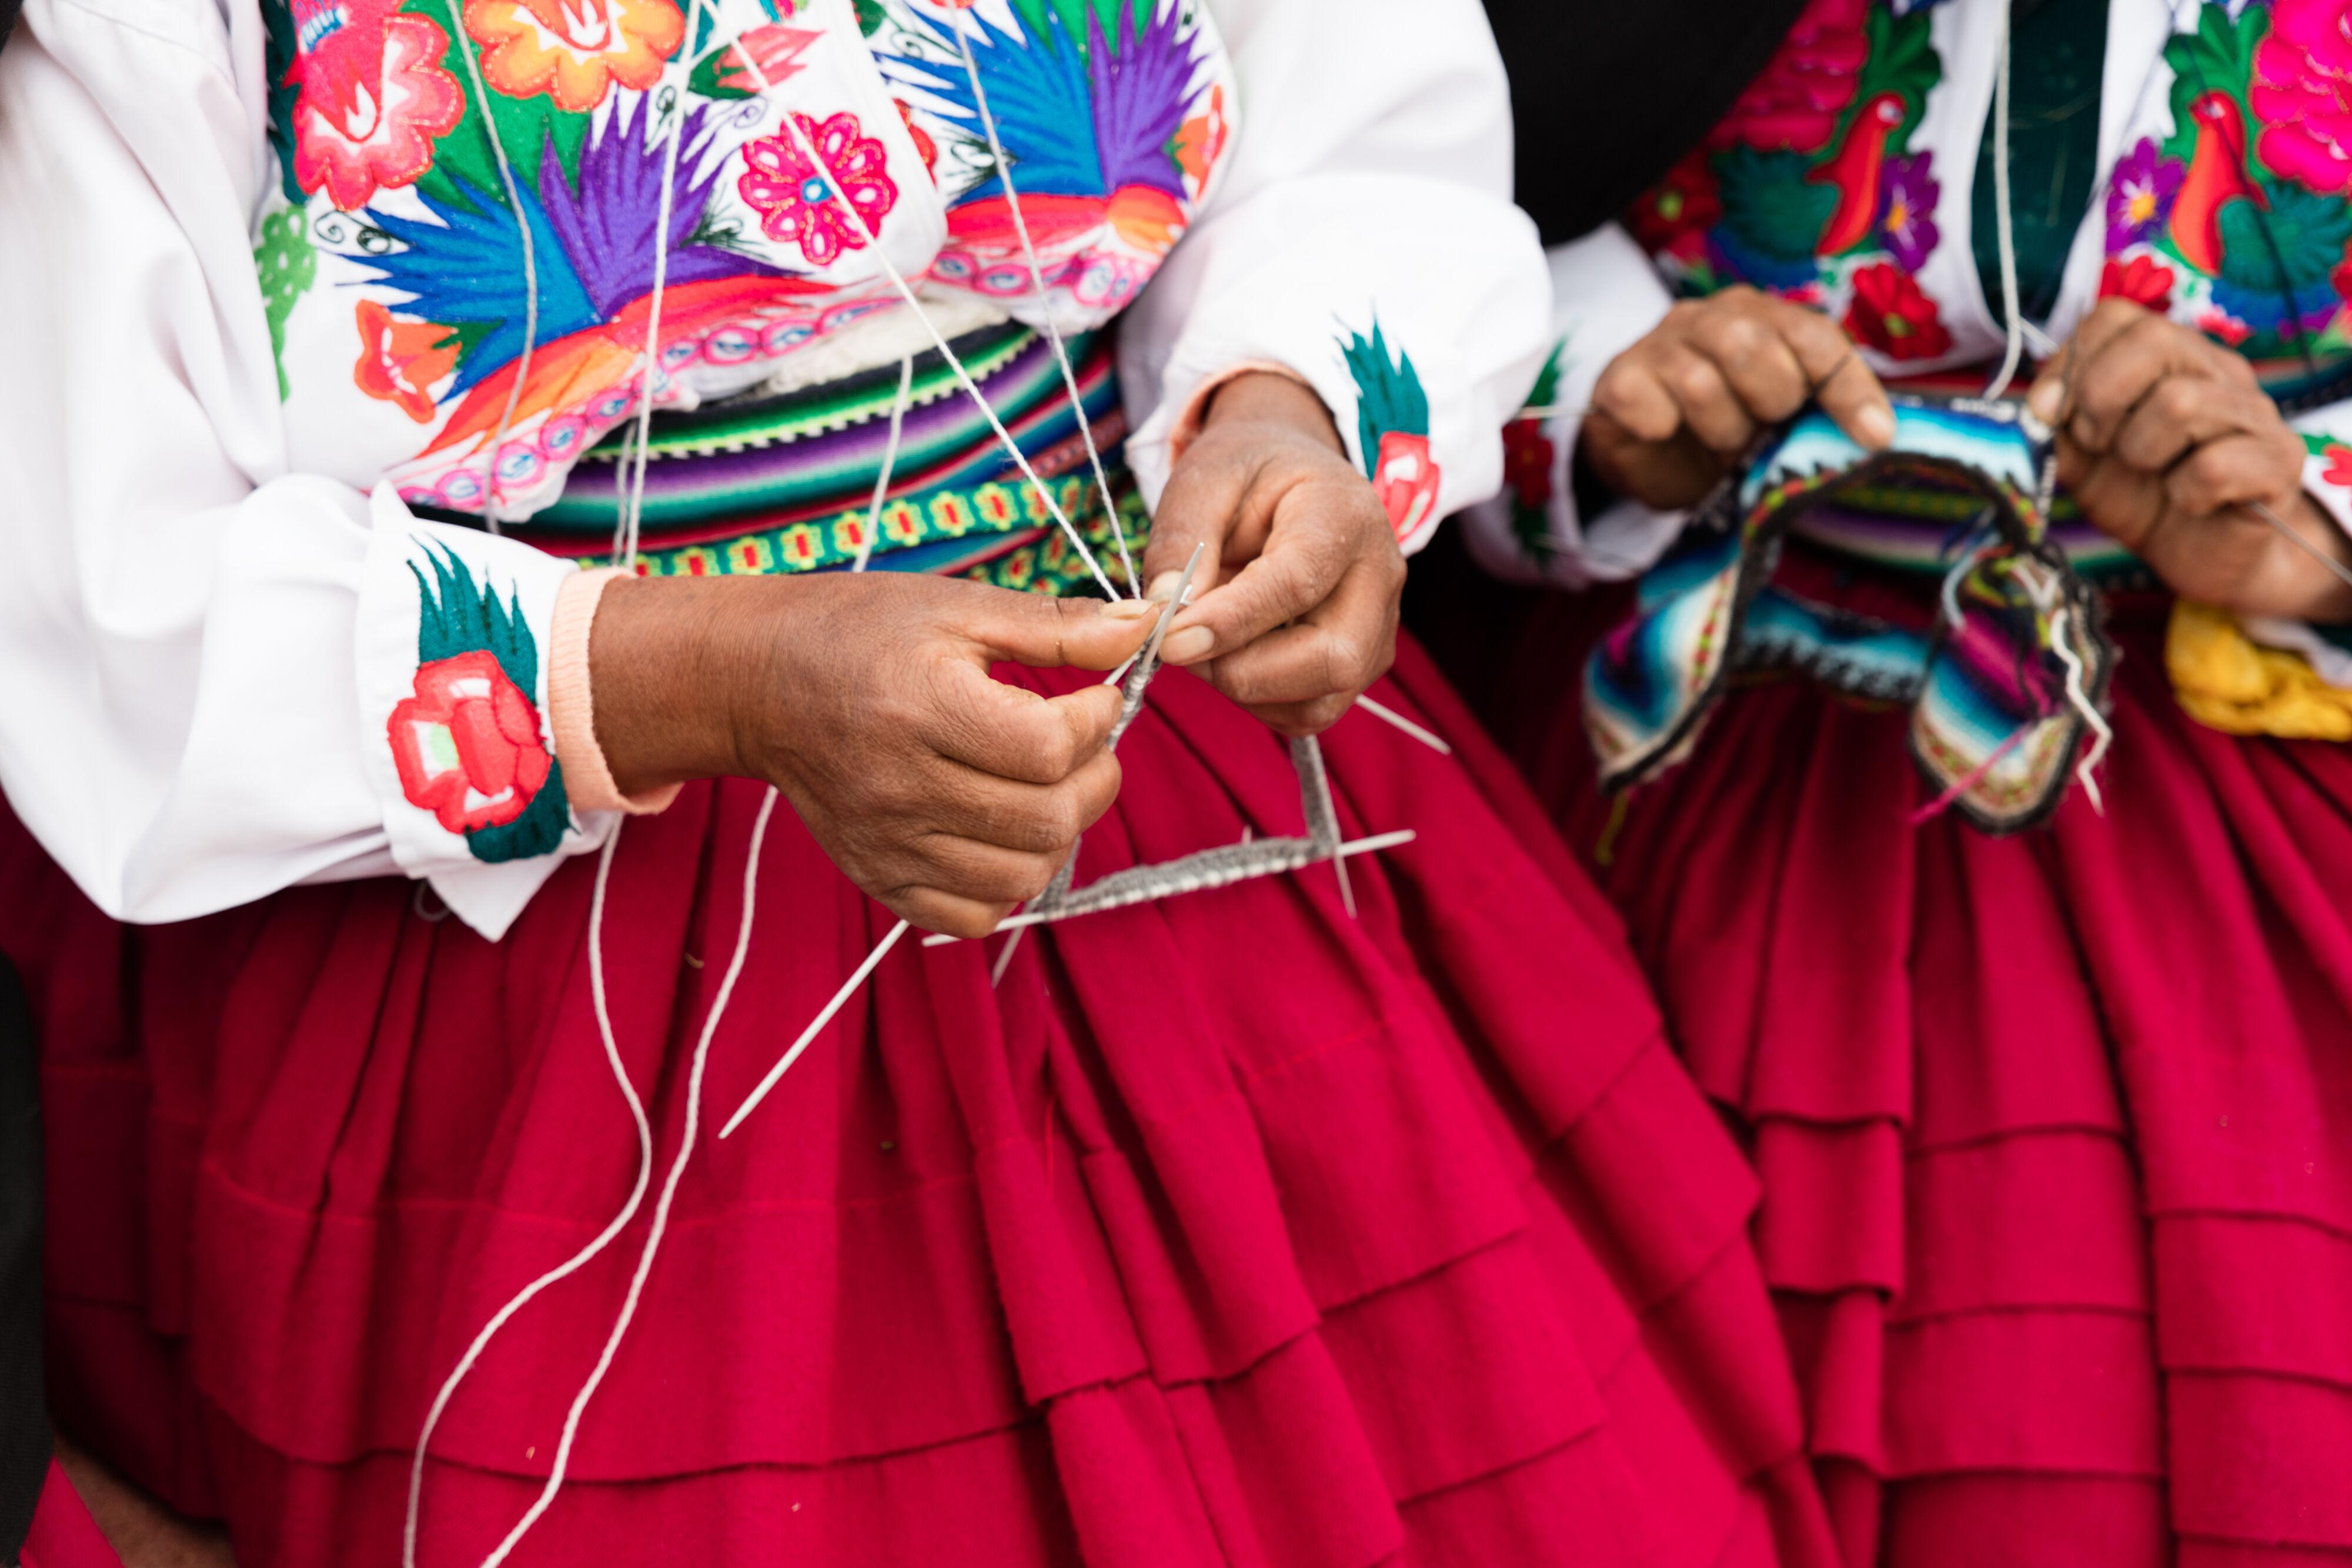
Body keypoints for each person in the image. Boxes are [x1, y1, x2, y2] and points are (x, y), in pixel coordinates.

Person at [0, 0, 1843, 1562]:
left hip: (1156, 771)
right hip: (535, 978)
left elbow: (1344, 112)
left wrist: (1286, 414)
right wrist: (719, 676)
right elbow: (108, 575)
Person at [1465, 0, 2352, 1563]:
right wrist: (1618, 383)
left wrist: (2316, 520)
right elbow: (1428, 156)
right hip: (1668, 780)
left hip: (2238, 812)